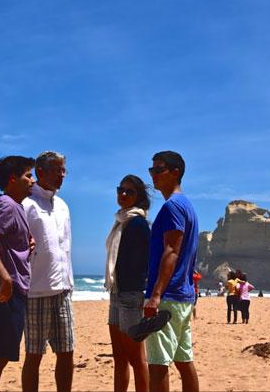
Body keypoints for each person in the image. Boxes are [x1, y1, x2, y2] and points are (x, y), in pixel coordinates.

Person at [0, 156, 36, 392]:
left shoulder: (16, 207)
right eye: (28, 176)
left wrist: (27, 242)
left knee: (0, 356)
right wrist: (5, 278)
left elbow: (3, 241)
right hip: (4, 291)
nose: (33, 181)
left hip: (11, 290)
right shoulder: (6, 205)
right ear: (13, 179)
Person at [144, 151, 199, 392]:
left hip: (168, 297)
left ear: (175, 173)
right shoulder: (187, 206)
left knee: (157, 364)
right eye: (151, 170)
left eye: (159, 170)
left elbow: (172, 251)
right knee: (184, 361)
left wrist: (156, 295)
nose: (153, 175)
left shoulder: (172, 207)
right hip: (183, 297)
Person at [21, 152, 74, 392]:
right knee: (34, 355)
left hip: (63, 290)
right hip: (35, 291)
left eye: (63, 170)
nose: (61, 175)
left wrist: (70, 284)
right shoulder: (26, 203)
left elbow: (65, 247)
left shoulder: (63, 205)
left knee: (67, 351)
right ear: (40, 172)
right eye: (57, 170)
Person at [105, 175, 151, 392]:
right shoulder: (121, 221)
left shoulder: (138, 223)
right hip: (117, 293)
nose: (123, 194)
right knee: (119, 357)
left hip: (132, 296)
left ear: (139, 196)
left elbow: (150, 259)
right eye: (120, 189)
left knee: (136, 358)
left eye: (129, 192)